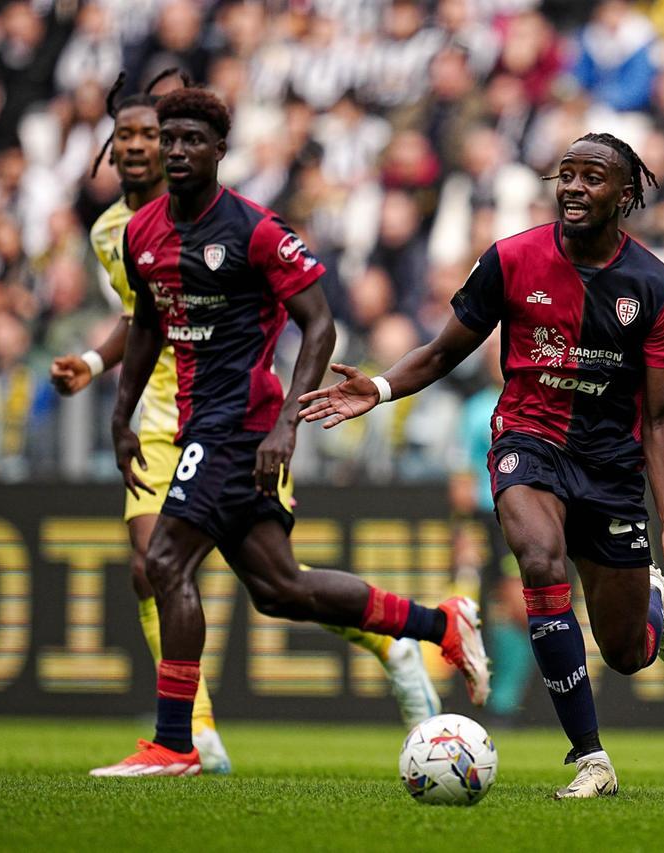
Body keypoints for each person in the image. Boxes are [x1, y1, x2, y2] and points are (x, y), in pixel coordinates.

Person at [299, 132, 664, 799]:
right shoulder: (511, 259)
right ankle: (591, 759)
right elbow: (442, 352)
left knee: (626, 655)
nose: (574, 186)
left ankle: (649, 605)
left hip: (610, 468)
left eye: (592, 177)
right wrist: (378, 387)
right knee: (541, 561)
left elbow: (660, 419)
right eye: (566, 174)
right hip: (530, 440)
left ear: (625, 195)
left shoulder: (655, 286)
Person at [87, 85, 486, 778]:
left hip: (241, 424)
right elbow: (147, 324)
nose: (177, 150)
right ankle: (439, 623)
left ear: (220, 150)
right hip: (198, 424)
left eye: (191, 140)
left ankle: (175, 742)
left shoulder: (256, 230)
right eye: (169, 138)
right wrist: (121, 417)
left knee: (164, 562)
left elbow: (320, 323)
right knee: (280, 589)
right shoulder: (141, 232)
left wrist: (287, 421)